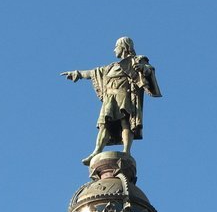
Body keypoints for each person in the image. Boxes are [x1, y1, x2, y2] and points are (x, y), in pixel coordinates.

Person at [62, 37, 162, 165]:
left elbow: (148, 68)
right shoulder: (110, 67)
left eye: (116, 46)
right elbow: (94, 73)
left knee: (125, 122)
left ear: (124, 46)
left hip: (124, 96)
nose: (114, 49)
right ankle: (97, 151)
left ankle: (126, 151)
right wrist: (77, 73)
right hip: (110, 98)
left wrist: (143, 68)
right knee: (104, 124)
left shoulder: (134, 60)